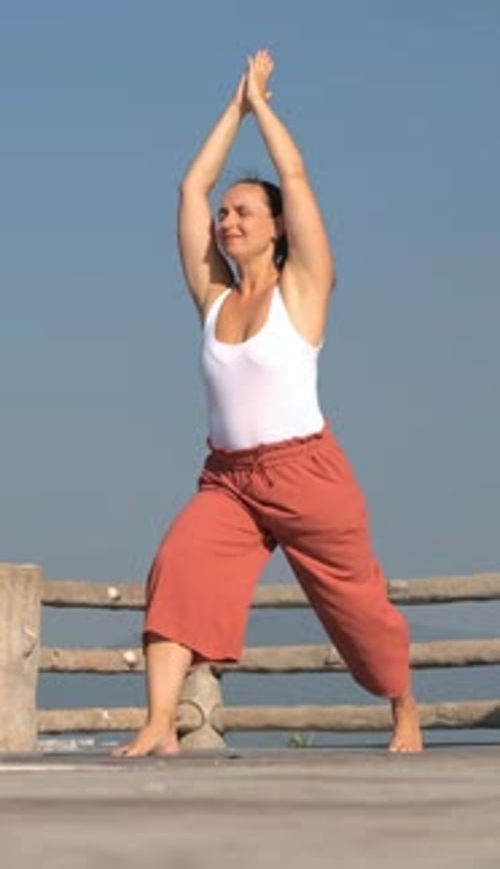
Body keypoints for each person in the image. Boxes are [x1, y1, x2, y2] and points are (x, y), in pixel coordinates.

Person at [115, 50, 423, 757]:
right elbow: (191, 187)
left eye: (244, 211)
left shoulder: (304, 290)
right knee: (179, 564)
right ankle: (160, 723)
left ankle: (404, 705)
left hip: (308, 474)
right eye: (225, 214)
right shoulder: (213, 297)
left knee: (357, 608)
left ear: (278, 227)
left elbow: (296, 177)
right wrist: (232, 108)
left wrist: (264, 108)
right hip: (229, 478)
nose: (228, 221)